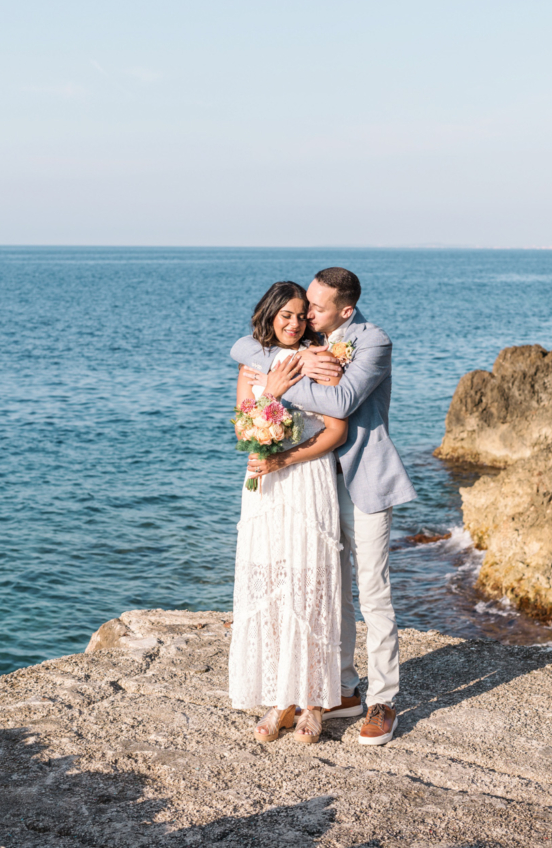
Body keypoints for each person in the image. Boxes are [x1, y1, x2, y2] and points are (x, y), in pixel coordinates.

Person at [231, 267, 416, 746]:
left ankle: (383, 701)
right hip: (312, 486)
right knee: (327, 591)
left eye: (316, 307)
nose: (308, 315)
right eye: (306, 305)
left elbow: (343, 399)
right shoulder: (311, 336)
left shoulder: (373, 342)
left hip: (362, 481)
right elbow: (247, 346)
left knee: (373, 590)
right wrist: (293, 365)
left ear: (345, 310)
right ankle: (341, 688)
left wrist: (277, 382)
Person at [228, 281, 350, 744]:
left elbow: (335, 430)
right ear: (270, 314)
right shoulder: (251, 361)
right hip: (263, 482)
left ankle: (315, 704)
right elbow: (243, 425)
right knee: (273, 583)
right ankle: (281, 700)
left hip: (306, 476)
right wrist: (271, 392)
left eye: (302, 315)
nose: (295, 323)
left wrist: (286, 457)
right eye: (286, 315)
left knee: (310, 585)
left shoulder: (321, 359)